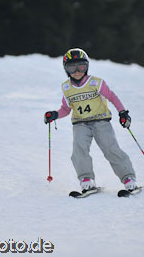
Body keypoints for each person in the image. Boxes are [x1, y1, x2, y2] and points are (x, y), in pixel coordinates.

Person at [44, 48, 138, 195]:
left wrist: (122, 112)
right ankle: (86, 180)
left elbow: (112, 97)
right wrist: (55, 115)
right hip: (80, 123)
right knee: (78, 151)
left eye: (81, 67)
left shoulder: (95, 83)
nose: (77, 71)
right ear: (66, 70)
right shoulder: (67, 88)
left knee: (110, 148)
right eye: (71, 67)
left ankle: (128, 178)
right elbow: (66, 108)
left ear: (87, 66)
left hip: (101, 121)